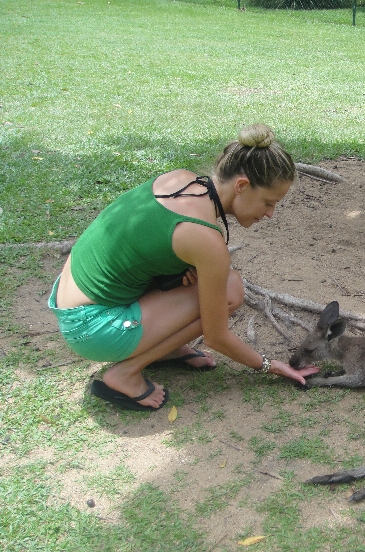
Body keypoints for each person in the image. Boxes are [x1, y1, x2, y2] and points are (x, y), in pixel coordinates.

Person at [48, 123, 319, 411]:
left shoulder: (180, 180)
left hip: (69, 300)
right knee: (230, 290)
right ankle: (124, 374)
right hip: (92, 328)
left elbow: (145, 248)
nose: (269, 213)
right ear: (241, 186)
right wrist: (270, 365)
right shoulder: (205, 240)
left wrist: (179, 272)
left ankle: (166, 350)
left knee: (209, 282)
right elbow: (216, 337)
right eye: (268, 202)